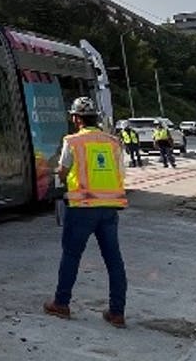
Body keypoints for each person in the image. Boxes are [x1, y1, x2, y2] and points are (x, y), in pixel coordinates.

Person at [44, 97, 129, 328]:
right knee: (114, 261)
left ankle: (61, 304)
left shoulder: (72, 141)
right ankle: (117, 313)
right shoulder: (113, 142)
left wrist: (57, 174)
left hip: (82, 208)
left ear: (76, 119)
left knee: (71, 256)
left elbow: (62, 171)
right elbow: (121, 172)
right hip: (110, 209)